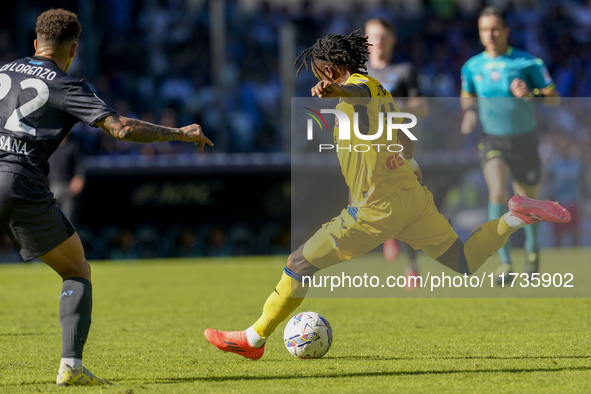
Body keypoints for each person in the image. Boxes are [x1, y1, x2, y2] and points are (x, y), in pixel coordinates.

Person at [203, 29, 570, 360]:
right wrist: (408, 164)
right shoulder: (381, 88)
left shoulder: (358, 89)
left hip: (375, 208)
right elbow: (403, 139)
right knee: (463, 262)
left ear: (330, 71)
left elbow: (357, 96)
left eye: (318, 73)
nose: (317, 80)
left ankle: (253, 339)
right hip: (411, 197)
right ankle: (515, 218)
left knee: (298, 264)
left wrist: (339, 92)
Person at [0, 9, 212, 386]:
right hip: (18, 180)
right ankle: (70, 366)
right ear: (74, 50)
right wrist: (179, 133)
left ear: (35, 43)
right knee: (76, 270)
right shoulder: (68, 84)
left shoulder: (3, 71)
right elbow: (123, 129)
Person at [460, 6, 559, 282]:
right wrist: (468, 112)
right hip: (492, 139)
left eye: (494, 29)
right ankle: (504, 263)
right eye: (484, 30)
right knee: (497, 191)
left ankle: (532, 250)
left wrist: (532, 93)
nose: (489, 35)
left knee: (528, 202)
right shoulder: (472, 66)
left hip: (525, 140)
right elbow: (467, 94)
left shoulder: (529, 63)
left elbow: (554, 98)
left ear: (506, 31)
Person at [365, 17, 429, 288]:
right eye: (372, 37)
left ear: (391, 40)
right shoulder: (359, 74)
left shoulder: (403, 71)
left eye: (383, 36)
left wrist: (397, 107)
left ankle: (411, 267)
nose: (377, 42)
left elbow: (422, 107)